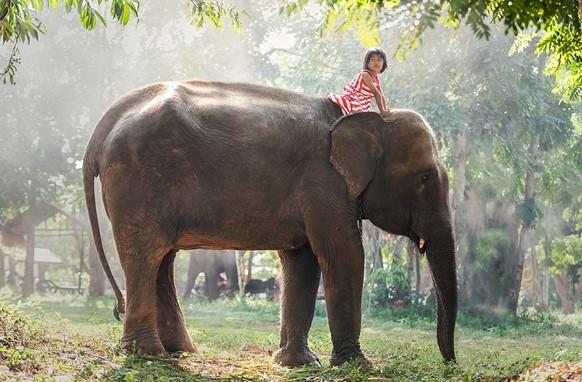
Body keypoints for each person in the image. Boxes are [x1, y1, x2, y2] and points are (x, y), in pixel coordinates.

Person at [328, 47, 388, 114]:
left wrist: (385, 109)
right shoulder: (366, 74)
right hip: (354, 98)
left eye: (379, 59)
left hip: (364, 102)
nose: (376, 62)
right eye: (372, 59)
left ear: (384, 62)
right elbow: (376, 93)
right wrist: (382, 111)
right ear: (367, 63)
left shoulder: (376, 77)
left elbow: (381, 94)